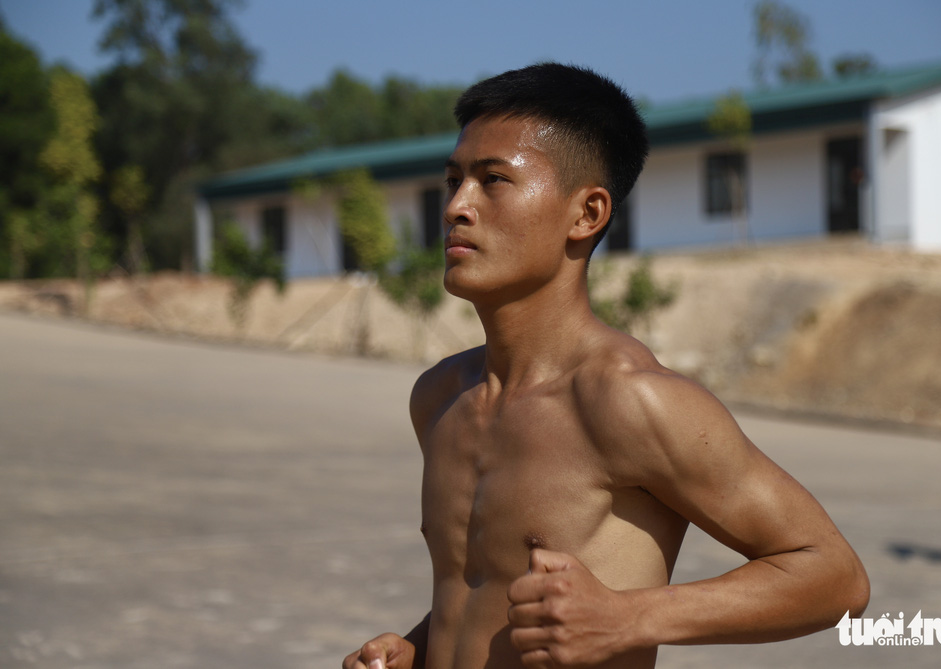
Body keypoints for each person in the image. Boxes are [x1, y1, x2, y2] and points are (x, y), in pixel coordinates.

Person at [343, 63, 869, 669]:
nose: (458, 206)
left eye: (493, 180)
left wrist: (627, 617)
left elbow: (834, 576)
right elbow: (485, 591)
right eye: (454, 180)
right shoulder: (439, 399)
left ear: (587, 214)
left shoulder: (629, 402)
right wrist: (417, 646)